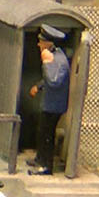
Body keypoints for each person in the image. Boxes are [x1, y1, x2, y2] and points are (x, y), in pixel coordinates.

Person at [27, 25, 71, 176]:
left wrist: (46, 63)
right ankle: (40, 159)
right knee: (42, 131)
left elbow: (53, 81)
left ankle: (46, 166)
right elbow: (47, 80)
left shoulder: (58, 60)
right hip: (49, 103)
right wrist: (38, 86)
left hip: (54, 106)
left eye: (41, 42)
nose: (39, 45)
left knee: (47, 134)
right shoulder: (54, 57)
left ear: (47, 43)